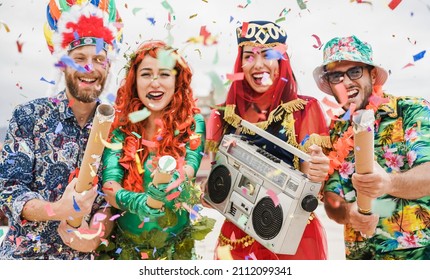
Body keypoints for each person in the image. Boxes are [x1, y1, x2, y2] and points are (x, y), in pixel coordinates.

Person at [0, 1, 123, 259]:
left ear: (108, 66)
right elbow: (9, 190)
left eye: (99, 59)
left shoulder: (116, 128)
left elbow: (111, 204)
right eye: (79, 58)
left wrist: (95, 238)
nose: (88, 68)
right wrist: (57, 209)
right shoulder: (28, 117)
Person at [205, 20, 331, 260]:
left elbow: (314, 185)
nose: (258, 65)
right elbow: (218, 183)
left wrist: (316, 170)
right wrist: (208, 191)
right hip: (236, 239)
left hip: (291, 241)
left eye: (267, 54)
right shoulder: (223, 115)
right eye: (249, 56)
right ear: (240, 62)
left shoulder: (305, 110)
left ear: (281, 61)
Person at [313, 35, 430, 260]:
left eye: (355, 72)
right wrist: (349, 214)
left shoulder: (411, 111)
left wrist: (389, 183)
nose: (346, 82)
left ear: (372, 75)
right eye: (337, 76)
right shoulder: (336, 130)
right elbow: (330, 199)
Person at [97, 40, 215, 260]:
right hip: (124, 252)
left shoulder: (193, 123)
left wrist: (173, 180)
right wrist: (141, 203)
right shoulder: (120, 127)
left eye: (164, 74)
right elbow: (110, 185)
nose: (155, 83)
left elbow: (190, 167)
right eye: (146, 74)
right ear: (134, 81)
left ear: (177, 80)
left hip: (175, 252)